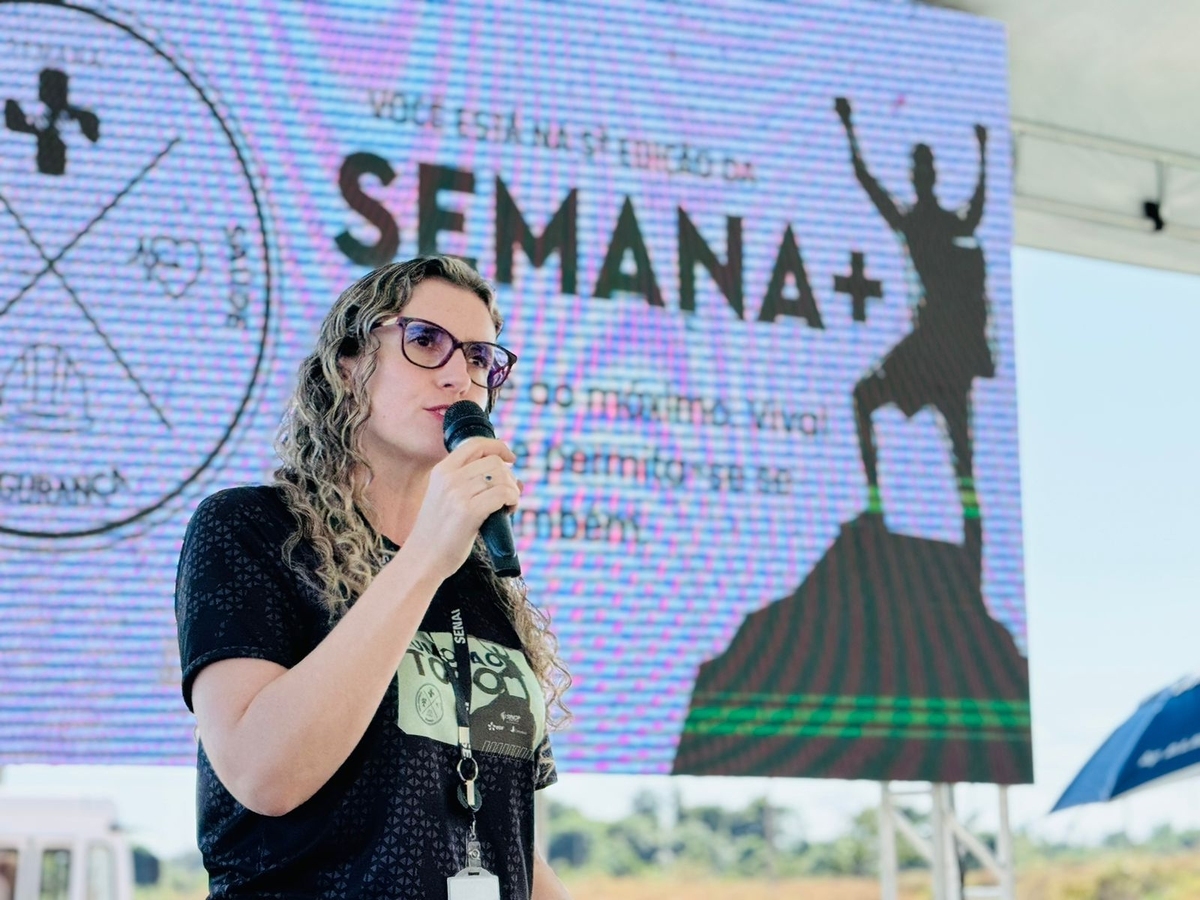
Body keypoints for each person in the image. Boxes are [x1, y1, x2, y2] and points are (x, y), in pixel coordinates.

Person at [175, 256, 572, 899]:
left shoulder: (477, 575)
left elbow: (509, 837)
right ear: (348, 364)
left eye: (479, 358)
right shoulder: (252, 528)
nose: (459, 376)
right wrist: (426, 557)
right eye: (425, 340)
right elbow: (262, 774)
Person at [835, 97, 994, 563]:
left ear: (931, 175)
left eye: (924, 168)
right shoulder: (915, 222)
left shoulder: (942, 223)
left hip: (946, 347)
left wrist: (984, 152)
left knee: (961, 446)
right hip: (930, 344)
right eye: (917, 168)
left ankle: (971, 525)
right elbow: (866, 181)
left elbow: (978, 207)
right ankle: (875, 504)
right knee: (866, 398)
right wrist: (848, 127)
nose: (920, 175)